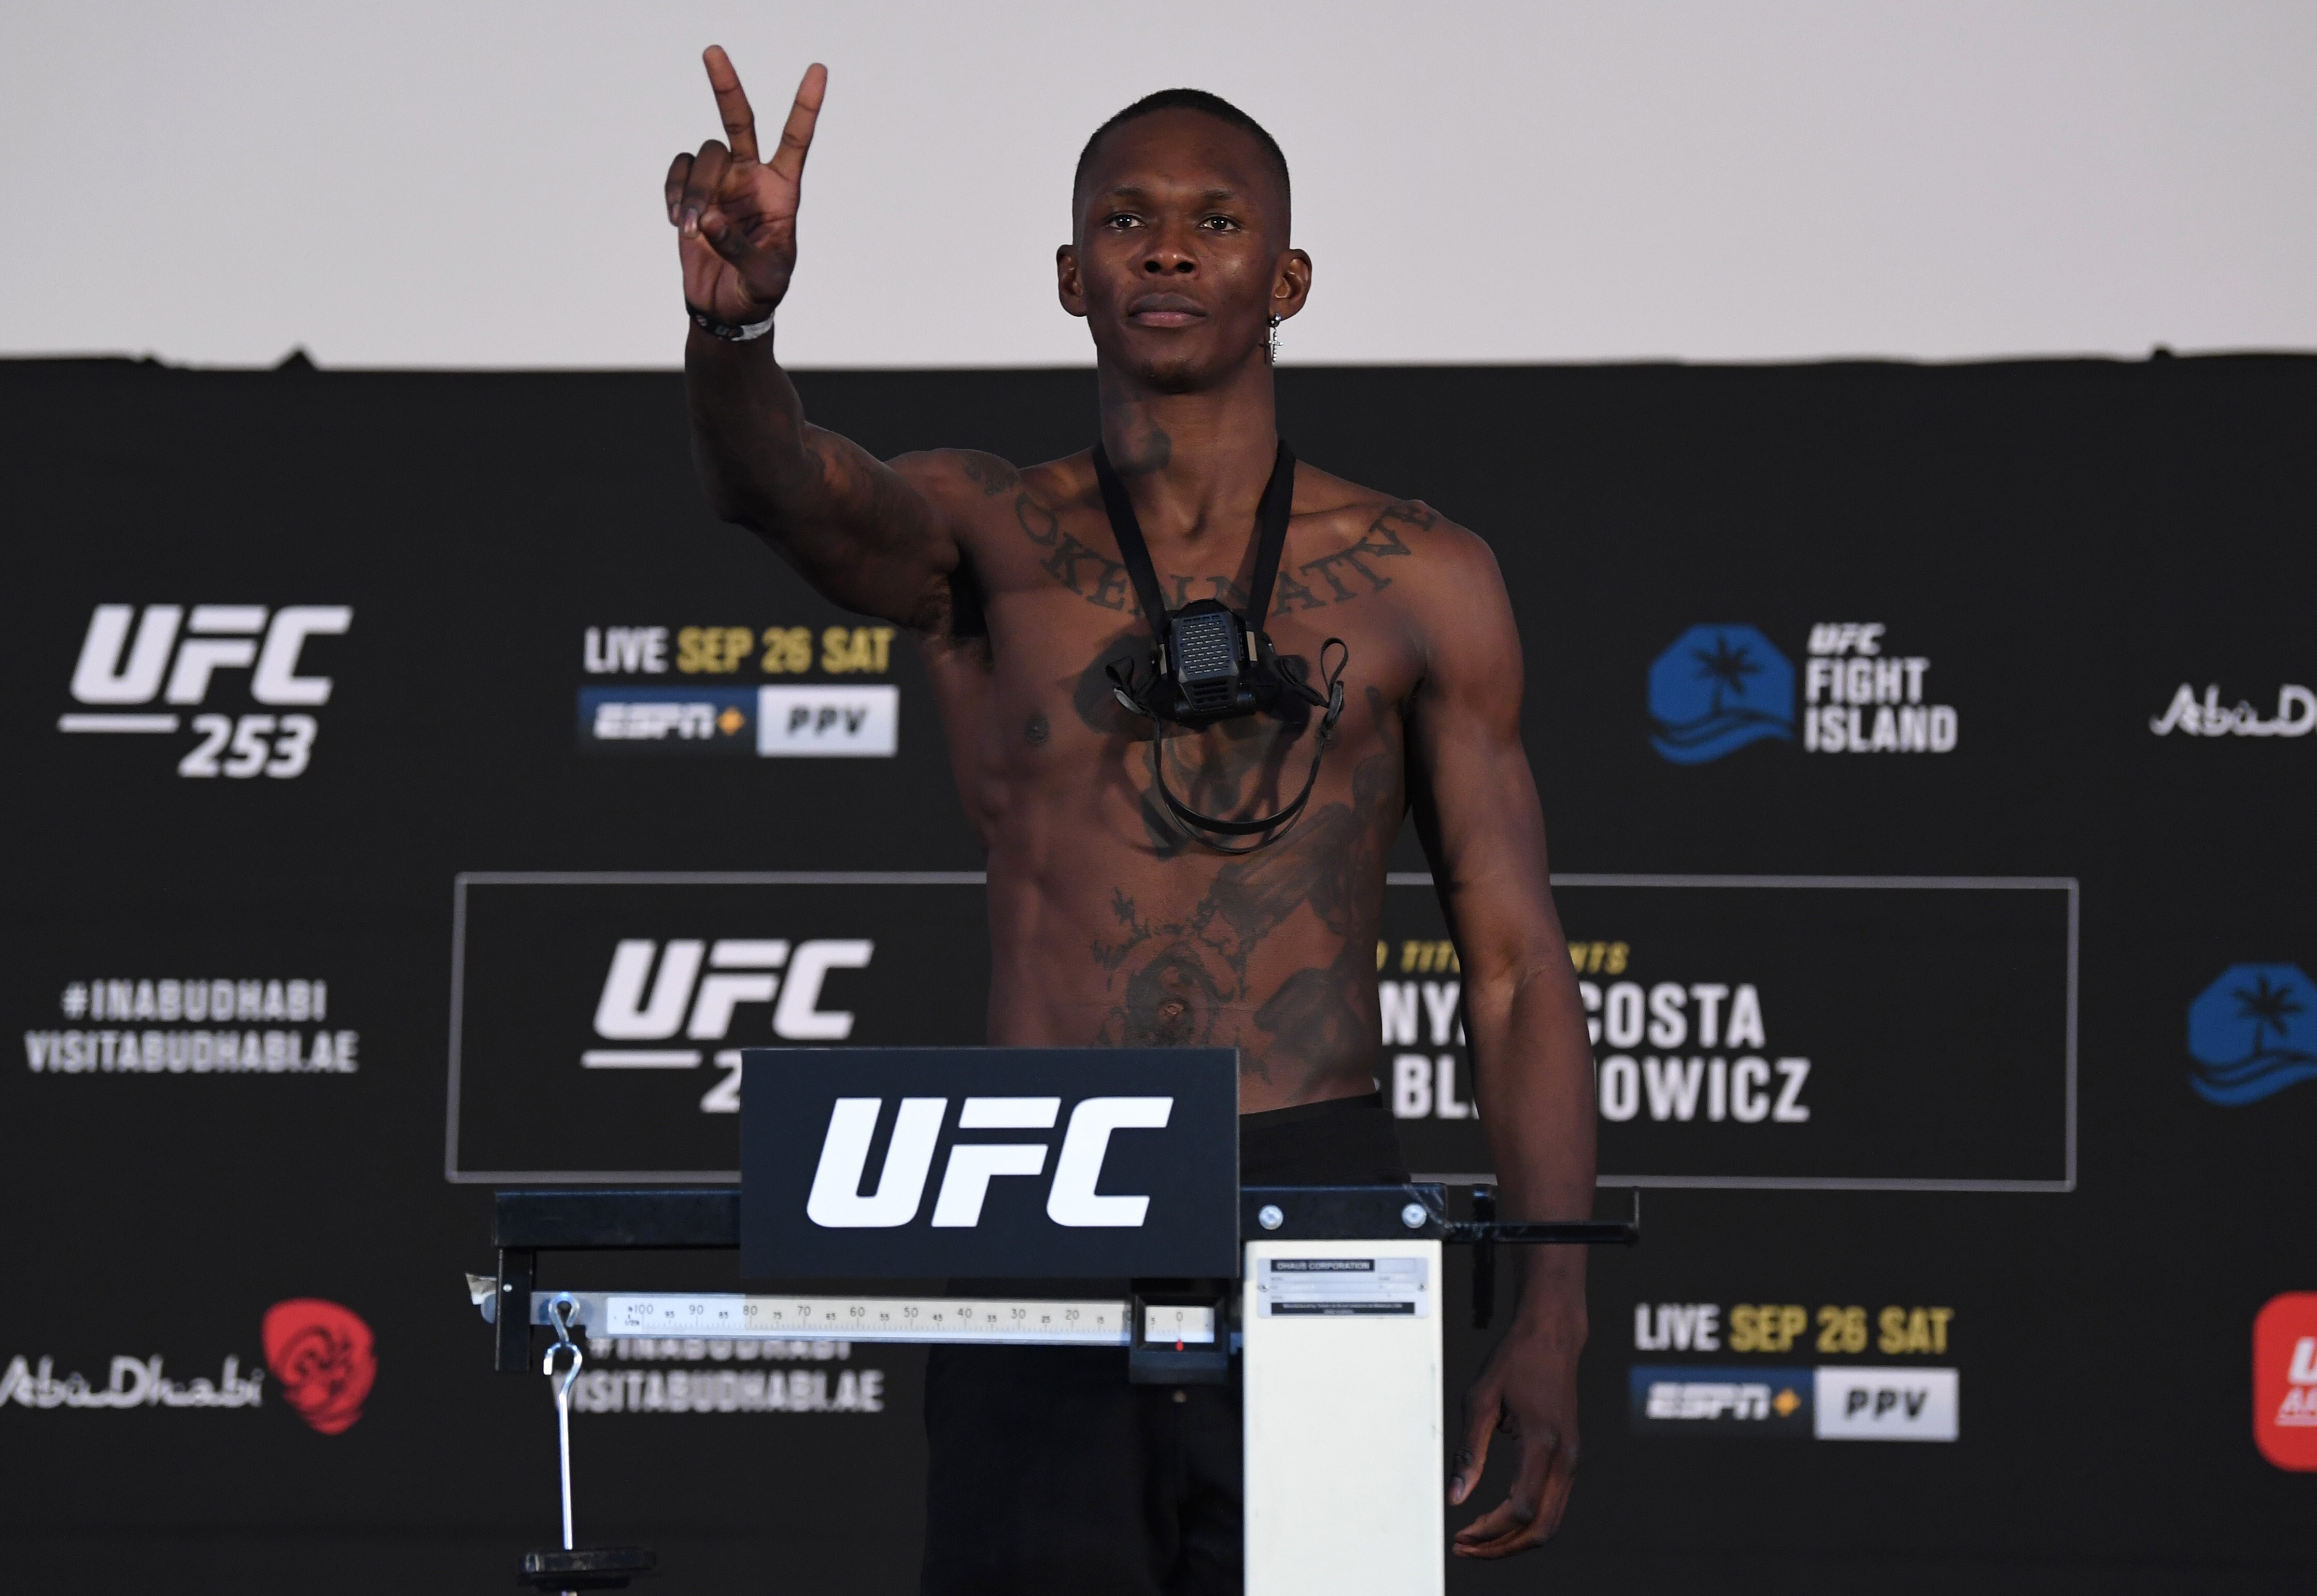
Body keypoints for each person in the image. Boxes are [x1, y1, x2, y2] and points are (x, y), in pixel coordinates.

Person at [668, 44, 1599, 1592]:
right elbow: (788, 492)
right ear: (1069, 274)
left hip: (1322, 1193)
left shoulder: (1428, 579)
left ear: (1289, 277)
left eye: (1216, 223)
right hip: (1044, 1179)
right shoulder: (986, 532)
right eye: (1126, 218)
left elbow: (1511, 964)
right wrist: (738, 327)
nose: (1167, 246)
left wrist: (1554, 1310)